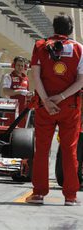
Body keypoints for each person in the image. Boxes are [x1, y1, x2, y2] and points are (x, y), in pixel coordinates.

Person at [26, 14, 83, 206]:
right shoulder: (79, 48)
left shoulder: (41, 45)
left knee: (42, 149)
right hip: (70, 106)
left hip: (45, 105)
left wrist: (47, 100)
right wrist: (62, 97)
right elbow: (81, 80)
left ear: (54, 28)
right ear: (71, 29)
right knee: (69, 150)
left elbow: (35, 75)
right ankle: (70, 196)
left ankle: (39, 193)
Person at [2, 56, 31, 127]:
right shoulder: (8, 76)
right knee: (8, 130)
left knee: (21, 133)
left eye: (22, 65)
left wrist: (30, 95)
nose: (20, 67)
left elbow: (28, 94)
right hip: (11, 109)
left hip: (23, 110)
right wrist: (20, 91)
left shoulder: (26, 79)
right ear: (14, 65)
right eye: (18, 65)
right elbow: (6, 91)